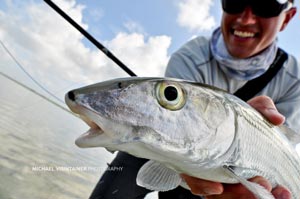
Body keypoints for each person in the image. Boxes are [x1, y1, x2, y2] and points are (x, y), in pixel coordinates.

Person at [89, 0, 299, 198]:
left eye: (266, 5)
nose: (246, 19)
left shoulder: (295, 80)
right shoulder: (190, 56)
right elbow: (174, 130)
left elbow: (285, 142)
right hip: (168, 151)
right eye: (234, 1)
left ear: (287, 18)